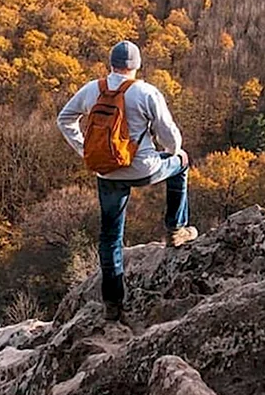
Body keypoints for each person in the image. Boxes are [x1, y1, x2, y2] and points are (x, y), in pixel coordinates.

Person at [57, 41, 197, 321]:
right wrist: (174, 152)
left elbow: (65, 118)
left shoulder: (92, 89)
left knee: (110, 236)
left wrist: (85, 148)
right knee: (181, 164)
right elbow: (170, 136)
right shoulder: (145, 92)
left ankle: (113, 303)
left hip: (106, 170)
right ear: (136, 65)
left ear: (111, 64)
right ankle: (175, 229)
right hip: (143, 169)